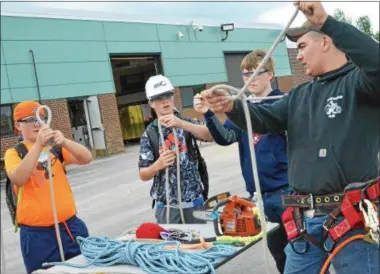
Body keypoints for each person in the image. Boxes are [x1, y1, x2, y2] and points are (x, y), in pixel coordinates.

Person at [201, 2, 379, 274]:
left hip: (351, 220)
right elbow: (263, 118)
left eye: (302, 47)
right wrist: (232, 108)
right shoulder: (299, 95)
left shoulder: (361, 84)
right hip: (303, 224)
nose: (298, 57)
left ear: (325, 42)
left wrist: (326, 21)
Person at [194, 49, 290, 273]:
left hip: (287, 192)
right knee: (277, 251)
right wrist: (209, 113)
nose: (250, 79)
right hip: (260, 195)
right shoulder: (242, 109)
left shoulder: (283, 103)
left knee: (300, 251)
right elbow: (226, 137)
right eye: (246, 75)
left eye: (257, 72)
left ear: (271, 74)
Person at [4, 101, 93, 274]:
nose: (37, 123)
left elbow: (86, 158)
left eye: (40, 118)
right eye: (30, 119)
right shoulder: (14, 153)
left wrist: (65, 141)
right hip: (38, 235)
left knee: (84, 268)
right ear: (17, 126)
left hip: (70, 226)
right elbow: (18, 178)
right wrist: (38, 145)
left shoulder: (55, 147)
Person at [138, 74, 213, 224]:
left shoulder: (186, 123)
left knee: (202, 245)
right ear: (151, 103)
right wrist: (158, 165)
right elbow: (143, 174)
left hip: (195, 203)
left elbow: (210, 136)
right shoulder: (150, 134)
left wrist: (182, 124)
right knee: (171, 247)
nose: (165, 101)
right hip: (166, 207)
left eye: (168, 96)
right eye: (159, 98)